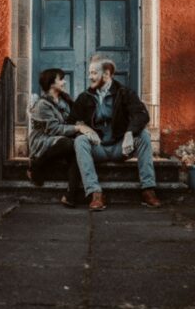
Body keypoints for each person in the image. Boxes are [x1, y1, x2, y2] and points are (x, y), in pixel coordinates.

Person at [69, 57, 161, 211]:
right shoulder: (85, 97)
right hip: (97, 148)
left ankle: (148, 190)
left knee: (144, 135)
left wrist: (129, 133)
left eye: (93, 73)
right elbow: (70, 120)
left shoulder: (124, 93)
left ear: (106, 74)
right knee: (80, 141)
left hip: (121, 147)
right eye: (89, 73)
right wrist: (82, 127)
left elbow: (142, 115)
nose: (90, 77)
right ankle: (95, 193)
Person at [27, 68, 97, 207]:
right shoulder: (42, 105)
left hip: (59, 139)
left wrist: (80, 124)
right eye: (61, 79)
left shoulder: (64, 101)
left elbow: (70, 121)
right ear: (51, 83)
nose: (64, 82)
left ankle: (70, 195)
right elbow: (54, 129)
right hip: (43, 140)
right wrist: (77, 128)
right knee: (68, 144)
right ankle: (36, 165)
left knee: (76, 147)